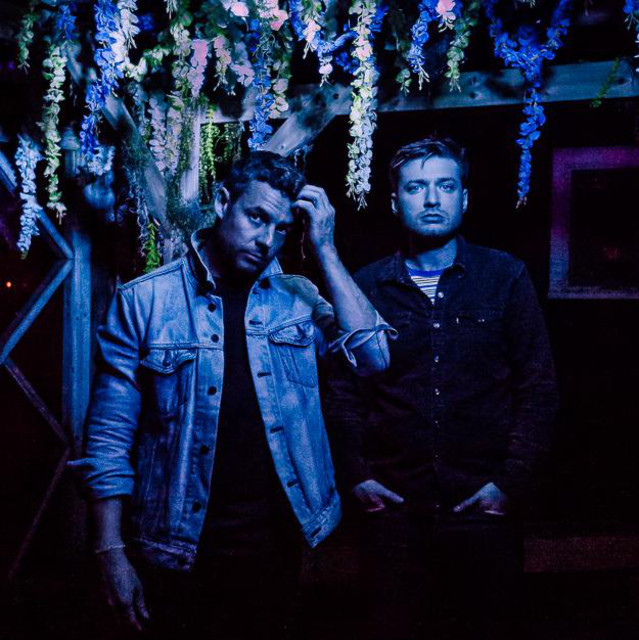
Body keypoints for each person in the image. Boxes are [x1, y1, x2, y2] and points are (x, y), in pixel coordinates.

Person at [70, 151, 394, 639]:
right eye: (256, 217)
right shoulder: (144, 301)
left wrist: (326, 248)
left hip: (280, 545)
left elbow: (374, 358)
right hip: (174, 545)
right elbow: (108, 438)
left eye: (281, 229)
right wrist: (109, 552)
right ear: (223, 202)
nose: (266, 240)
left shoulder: (299, 297)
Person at [325, 136, 558, 640]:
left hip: (483, 509)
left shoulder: (504, 276)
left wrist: (509, 484)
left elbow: (538, 388)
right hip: (393, 512)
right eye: (416, 188)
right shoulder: (366, 285)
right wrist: (357, 477)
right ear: (395, 202)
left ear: (464, 198)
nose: (431, 199)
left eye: (445, 186)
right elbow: (343, 392)